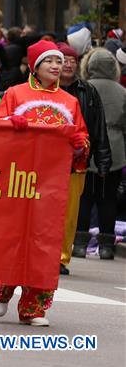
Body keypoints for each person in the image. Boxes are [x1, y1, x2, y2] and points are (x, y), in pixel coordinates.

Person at [0, 41, 89, 327]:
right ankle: (4, 287)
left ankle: (34, 308)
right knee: (14, 238)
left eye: (59, 62)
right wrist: (12, 125)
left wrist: (79, 144)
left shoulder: (70, 102)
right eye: (49, 62)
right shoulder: (15, 94)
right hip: (18, 181)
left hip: (52, 184)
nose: (56, 66)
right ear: (35, 66)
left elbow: (81, 137)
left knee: (45, 245)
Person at [57, 43, 111, 274]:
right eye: (62, 60)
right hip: (46, 162)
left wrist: (103, 160)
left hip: (76, 162)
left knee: (70, 213)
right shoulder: (47, 89)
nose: (68, 65)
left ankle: (61, 258)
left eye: (72, 60)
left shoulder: (88, 91)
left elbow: (99, 128)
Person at [75, 48, 124, 261]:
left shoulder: (84, 88)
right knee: (108, 199)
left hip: (87, 145)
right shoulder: (122, 92)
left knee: (84, 198)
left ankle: (79, 243)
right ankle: (106, 246)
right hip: (115, 149)